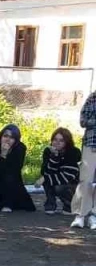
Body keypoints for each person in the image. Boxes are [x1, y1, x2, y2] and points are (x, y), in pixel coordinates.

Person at [37, 128, 80, 216]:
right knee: (47, 178)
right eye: (55, 139)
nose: (57, 142)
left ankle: (69, 205)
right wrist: (54, 156)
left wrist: (45, 178)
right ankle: (50, 204)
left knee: (57, 185)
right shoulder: (48, 151)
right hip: (57, 178)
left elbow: (67, 176)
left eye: (61, 140)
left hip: (71, 183)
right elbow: (45, 171)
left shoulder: (74, 152)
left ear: (67, 142)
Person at [70, 90, 96, 230]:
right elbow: (82, 121)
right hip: (91, 144)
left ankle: (94, 215)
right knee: (85, 180)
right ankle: (80, 215)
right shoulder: (92, 98)